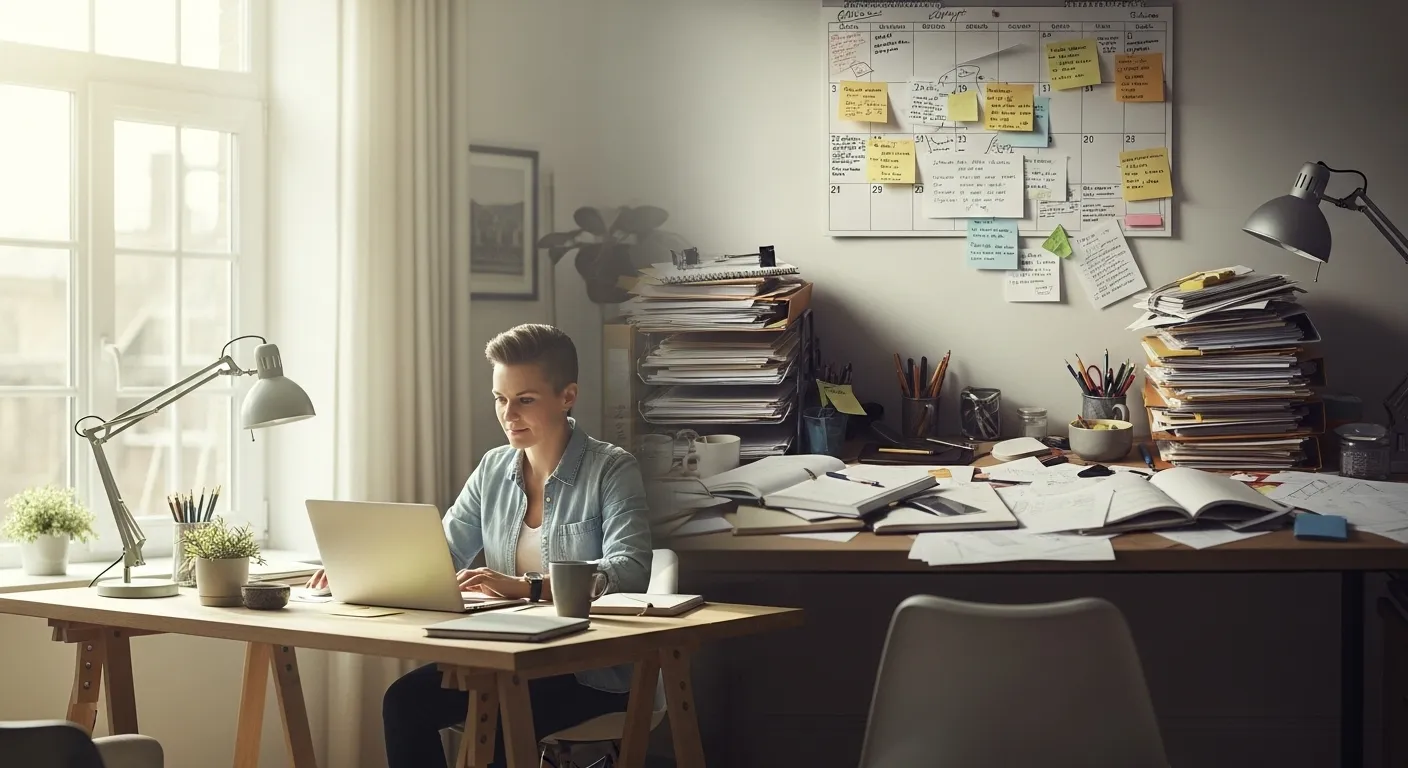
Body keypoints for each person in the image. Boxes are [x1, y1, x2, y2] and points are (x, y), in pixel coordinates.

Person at [306, 323, 653, 768]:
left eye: (525, 400)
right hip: (506, 660)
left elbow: (629, 569)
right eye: (500, 399)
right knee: (404, 703)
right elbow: (442, 552)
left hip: (590, 672)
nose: (509, 414)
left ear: (567, 396)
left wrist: (527, 588)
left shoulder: (612, 469)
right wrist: (359, 571)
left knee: (504, 720)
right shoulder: (493, 468)